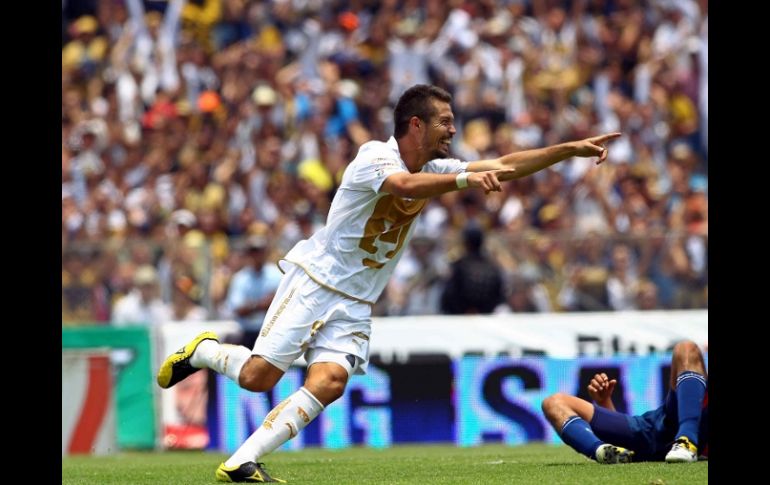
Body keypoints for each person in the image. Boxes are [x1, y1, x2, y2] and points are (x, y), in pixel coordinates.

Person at [157, 84, 620, 483]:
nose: (453, 131)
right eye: (445, 121)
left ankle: (241, 462)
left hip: (358, 299)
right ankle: (203, 351)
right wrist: (464, 179)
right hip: (317, 280)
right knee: (259, 379)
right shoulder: (374, 157)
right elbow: (402, 187)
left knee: (331, 381)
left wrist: (567, 150)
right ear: (415, 125)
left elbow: (506, 163)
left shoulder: (435, 169)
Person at [541, 340, 708, 464]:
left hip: (670, 442)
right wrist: (605, 402)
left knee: (686, 348)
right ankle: (602, 452)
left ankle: (687, 442)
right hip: (651, 429)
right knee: (554, 403)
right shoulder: (695, 387)